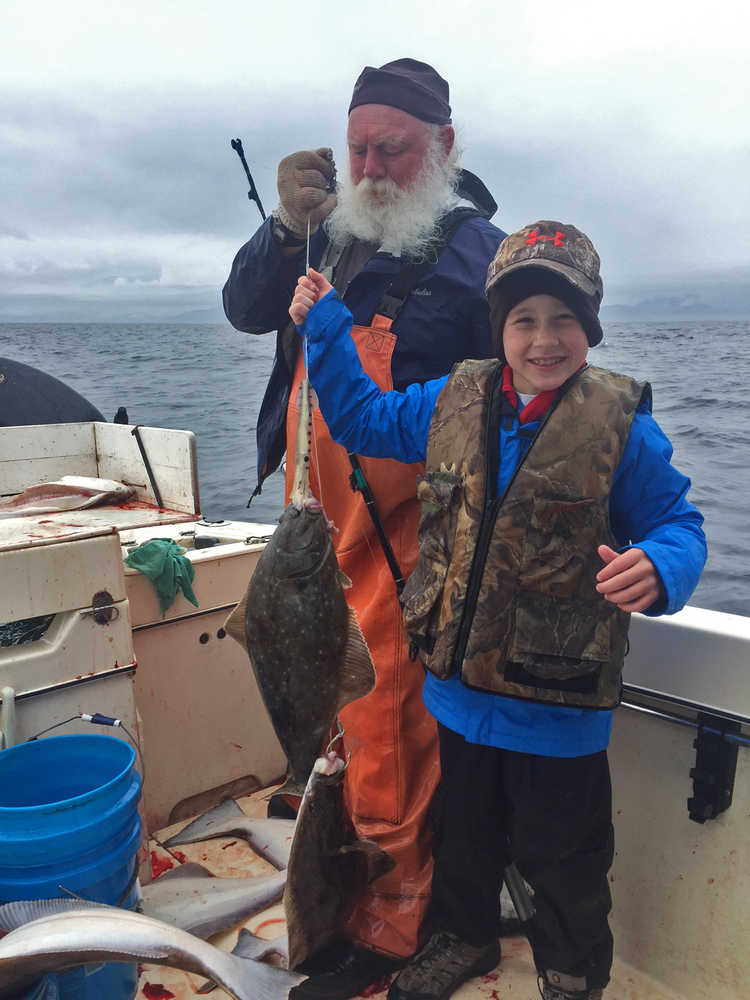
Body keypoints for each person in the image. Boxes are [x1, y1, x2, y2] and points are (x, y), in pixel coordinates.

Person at [288, 220, 707, 1000]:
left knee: (566, 860)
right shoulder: (453, 398)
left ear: (590, 328)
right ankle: (463, 939)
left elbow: (679, 525)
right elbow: (361, 422)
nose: (544, 340)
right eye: (524, 320)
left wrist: (661, 567)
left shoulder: (624, 430)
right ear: (499, 330)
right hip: (457, 697)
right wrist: (328, 326)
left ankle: (571, 974)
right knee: (465, 842)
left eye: (564, 320)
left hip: (559, 712)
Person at [223, 58, 506, 998]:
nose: (374, 166)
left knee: (389, 717)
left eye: (395, 147)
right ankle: (343, 877)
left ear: (444, 149)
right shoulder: (321, 235)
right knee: (338, 722)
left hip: (408, 526)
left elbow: (513, 395)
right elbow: (242, 309)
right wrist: (280, 228)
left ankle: (391, 921)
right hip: (311, 510)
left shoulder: (478, 256)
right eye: (358, 149)